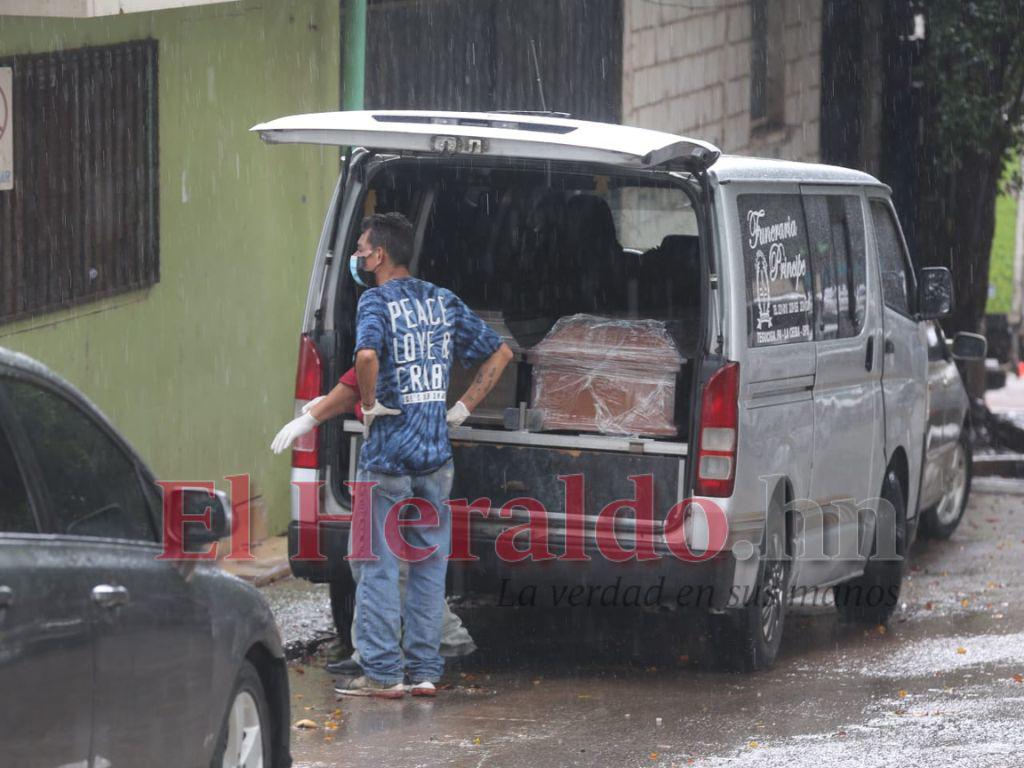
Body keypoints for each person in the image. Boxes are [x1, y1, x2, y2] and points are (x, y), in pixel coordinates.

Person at [277, 212, 512, 698]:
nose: (357, 259)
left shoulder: (376, 301)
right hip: (434, 456)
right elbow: (501, 353)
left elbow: (366, 358)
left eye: (360, 251)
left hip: (386, 458)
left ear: (379, 255)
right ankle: (424, 672)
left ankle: (383, 674)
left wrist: (368, 405)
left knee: (377, 565)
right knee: (427, 565)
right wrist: (463, 407)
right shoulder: (442, 300)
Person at [271, 366, 477, 675]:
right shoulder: (425, 344)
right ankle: (423, 644)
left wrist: (315, 415)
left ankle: (407, 650)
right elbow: (371, 389)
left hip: (390, 461)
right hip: (423, 459)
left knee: (374, 559)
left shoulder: (381, 343)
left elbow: (365, 377)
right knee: (390, 560)